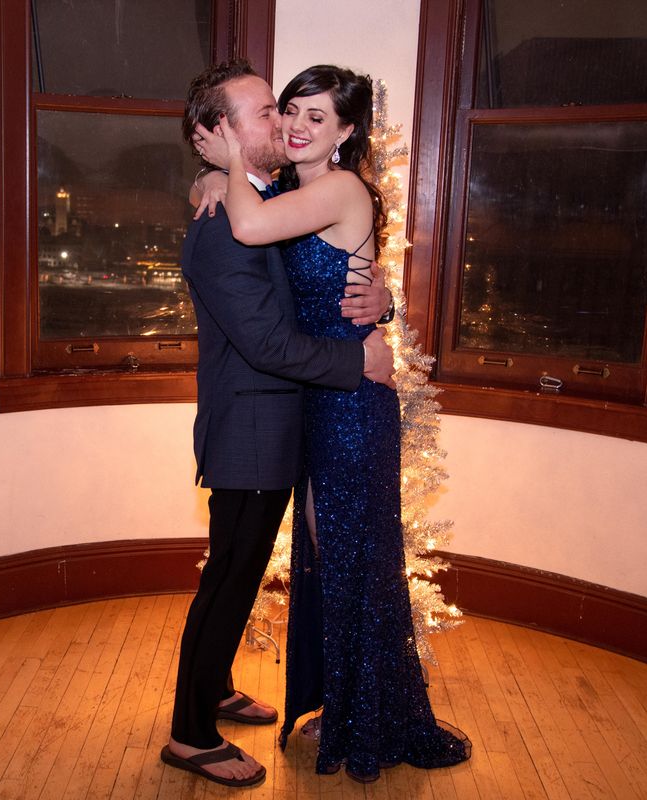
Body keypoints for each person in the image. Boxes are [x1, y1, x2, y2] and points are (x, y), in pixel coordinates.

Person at [192, 64, 473, 782]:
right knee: (327, 561)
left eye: (319, 118)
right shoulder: (284, 190)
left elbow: (259, 227)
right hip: (311, 402)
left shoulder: (337, 188)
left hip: (348, 406)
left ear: (348, 132)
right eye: (289, 110)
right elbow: (256, 224)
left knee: (355, 557)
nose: (296, 125)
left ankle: (368, 715)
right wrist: (216, 178)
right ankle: (338, 703)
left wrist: (220, 169)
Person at [161, 59, 396, 789]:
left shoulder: (269, 196)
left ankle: (216, 687)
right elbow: (266, 344)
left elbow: (328, 264)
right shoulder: (224, 228)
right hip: (252, 434)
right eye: (265, 112)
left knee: (236, 574)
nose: (283, 123)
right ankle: (191, 734)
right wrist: (356, 363)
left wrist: (378, 297)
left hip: (278, 426)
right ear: (216, 133)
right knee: (229, 580)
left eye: (286, 110)